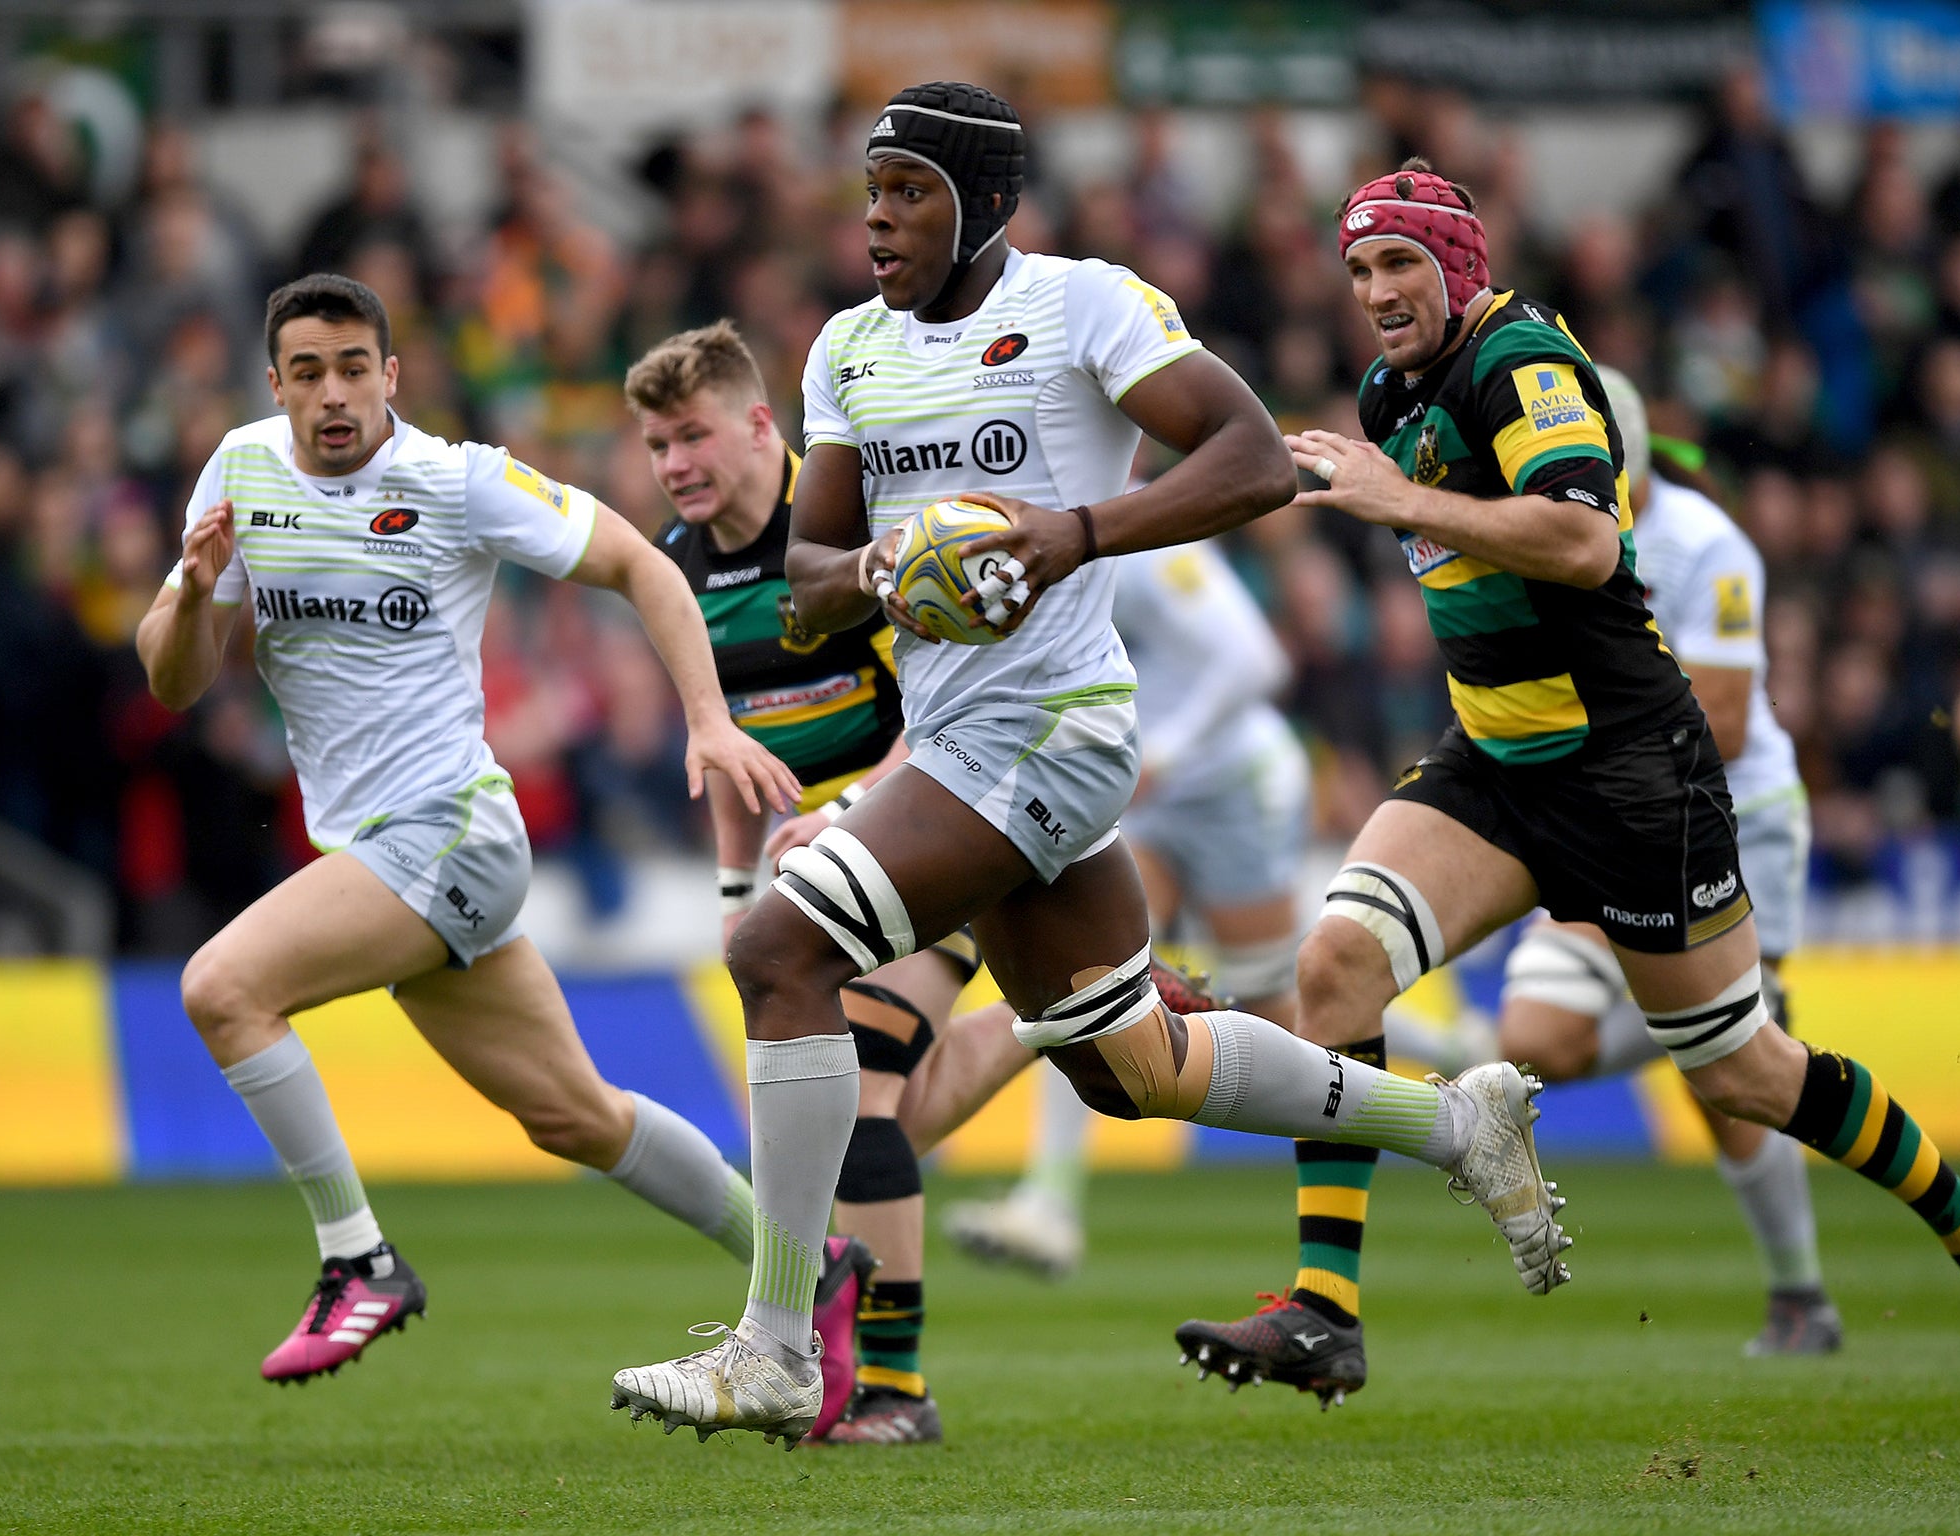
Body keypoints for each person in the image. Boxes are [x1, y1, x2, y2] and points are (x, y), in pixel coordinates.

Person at [610, 85, 1570, 1450]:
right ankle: (1454, 1127)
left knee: (777, 952)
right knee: (1134, 1067)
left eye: (911, 192)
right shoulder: (846, 355)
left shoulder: (1086, 306)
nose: (878, 218)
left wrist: (1074, 532)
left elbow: (1250, 461)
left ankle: (774, 1345)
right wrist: (887, 569)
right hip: (954, 740)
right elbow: (807, 585)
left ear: (989, 203)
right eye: (870, 191)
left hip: (1053, 728)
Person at [1176, 159, 1960, 1409]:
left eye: (1399, 262)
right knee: (1334, 962)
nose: (1375, 289)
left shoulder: (1522, 361)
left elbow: (1583, 539)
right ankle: (1324, 1310)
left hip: (1624, 770)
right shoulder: (1390, 396)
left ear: (1458, 266)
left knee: (1742, 1074)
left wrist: (1398, 496)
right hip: (1494, 759)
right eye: (1357, 269)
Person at [135, 273, 800, 1386]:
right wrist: (196, 597)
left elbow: (639, 562)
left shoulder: (454, 482)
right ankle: (805, 1269)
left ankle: (358, 1260)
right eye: (308, 373)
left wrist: (704, 719)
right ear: (277, 387)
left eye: (354, 368)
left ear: (391, 376)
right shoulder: (241, 471)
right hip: (378, 853)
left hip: (448, 833)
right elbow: (172, 681)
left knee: (222, 988)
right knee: (577, 1116)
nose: (333, 394)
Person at [629, 317, 1026, 1443]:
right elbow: (725, 749)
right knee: (878, 1107)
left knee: (864, 1081)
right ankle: (1060, 1027)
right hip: (808, 877)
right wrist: (724, 893)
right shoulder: (676, 571)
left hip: (935, 828)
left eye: (693, 436)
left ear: (763, 425)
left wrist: (854, 812)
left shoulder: (853, 528)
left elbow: (944, 709)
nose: (675, 467)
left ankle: (896, 1390)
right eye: (657, 447)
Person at [1496, 367, 1840, 1356]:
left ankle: (1799, 1295)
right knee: (1533, 1037)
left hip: (1731, 817)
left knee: (1726, 1076)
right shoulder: (1534, 530)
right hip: (1609, 812)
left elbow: (1723, 725)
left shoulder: (1703, 546)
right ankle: (1724, 1019)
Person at [943, 536, 1310, 1277]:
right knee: (1088, 969)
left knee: (1280, 1015)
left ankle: (1454, 1060)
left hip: (1234, 787)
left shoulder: (1144, 549)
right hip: (1139, 794)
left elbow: (1258, 660)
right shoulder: (1032, 551)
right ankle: (1048, 1204)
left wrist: (1168, 750)